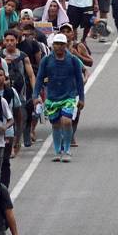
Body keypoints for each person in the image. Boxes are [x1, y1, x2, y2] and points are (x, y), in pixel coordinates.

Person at [34, 33, 86, 162]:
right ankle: (58, 151)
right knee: (56, 124)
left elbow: (79, 80)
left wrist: (82, 98)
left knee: (67, 121)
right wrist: (35, 96)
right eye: (56, 44)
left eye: (62, 44)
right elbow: (39, 78)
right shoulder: (46, 60)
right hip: (52, 97)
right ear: (53, 45)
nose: (59, 47)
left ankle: (67, 149)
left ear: (66, 45)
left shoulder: (73, 60)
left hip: (69, 96)